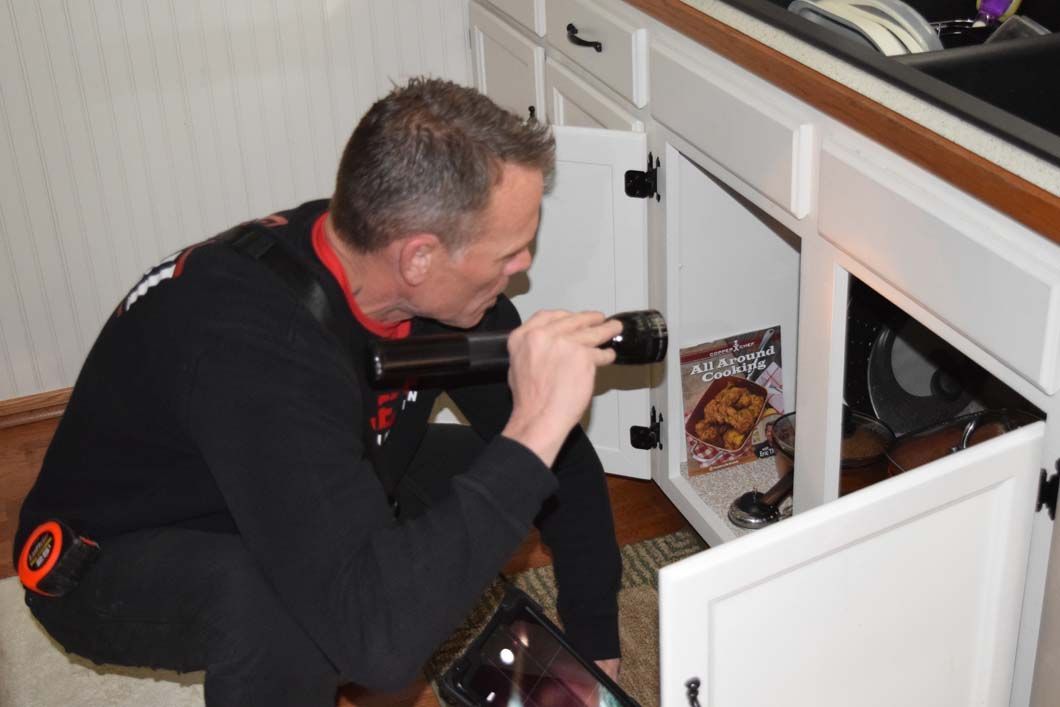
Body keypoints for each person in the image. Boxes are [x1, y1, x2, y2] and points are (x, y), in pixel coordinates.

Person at [14, 77, 624, 706]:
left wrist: (592, 650)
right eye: (510, 251)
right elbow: (381, 648)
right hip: (107, 554)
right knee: (283, 615)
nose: (523, 265)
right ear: (418, 256)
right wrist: (533, 431)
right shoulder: (253, 342)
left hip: (285, 472)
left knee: (505, 473)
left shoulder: (418, 275)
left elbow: (561, 465)